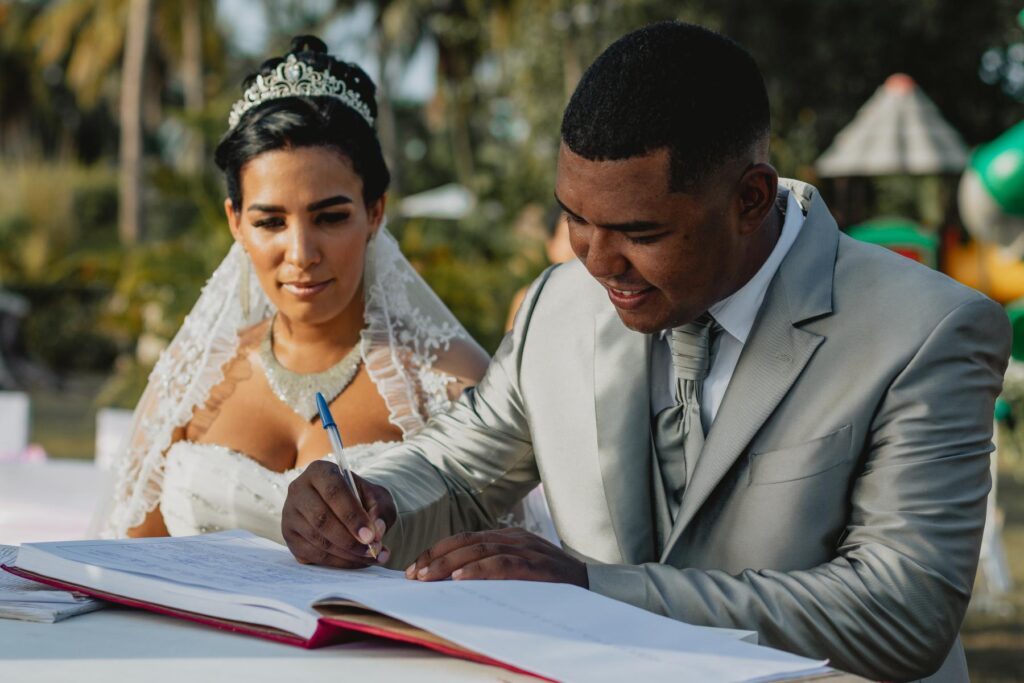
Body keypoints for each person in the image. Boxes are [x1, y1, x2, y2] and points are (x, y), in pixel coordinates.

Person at [281, 22, 1010, 682]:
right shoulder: (556, 304)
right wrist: (369, 495)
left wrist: (597, 590)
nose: (598, 263)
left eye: (641, 231)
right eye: (575, 218)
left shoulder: (928, 328)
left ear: (751, 199)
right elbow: (460, 470)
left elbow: (903, 610)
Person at [100, 36, 555, 547]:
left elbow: (502, 576)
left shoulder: (453, 386)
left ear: (375, 212)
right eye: (270, 221)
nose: (301, 253)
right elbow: (126, 560)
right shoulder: (190, 380)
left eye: (330, 217)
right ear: (236, 224)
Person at [504, 208, 574, 332]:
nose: (578, 246)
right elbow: (511, 349)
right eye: (570, 237)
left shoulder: (611, 298)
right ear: (551, 246)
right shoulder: (529, 298)